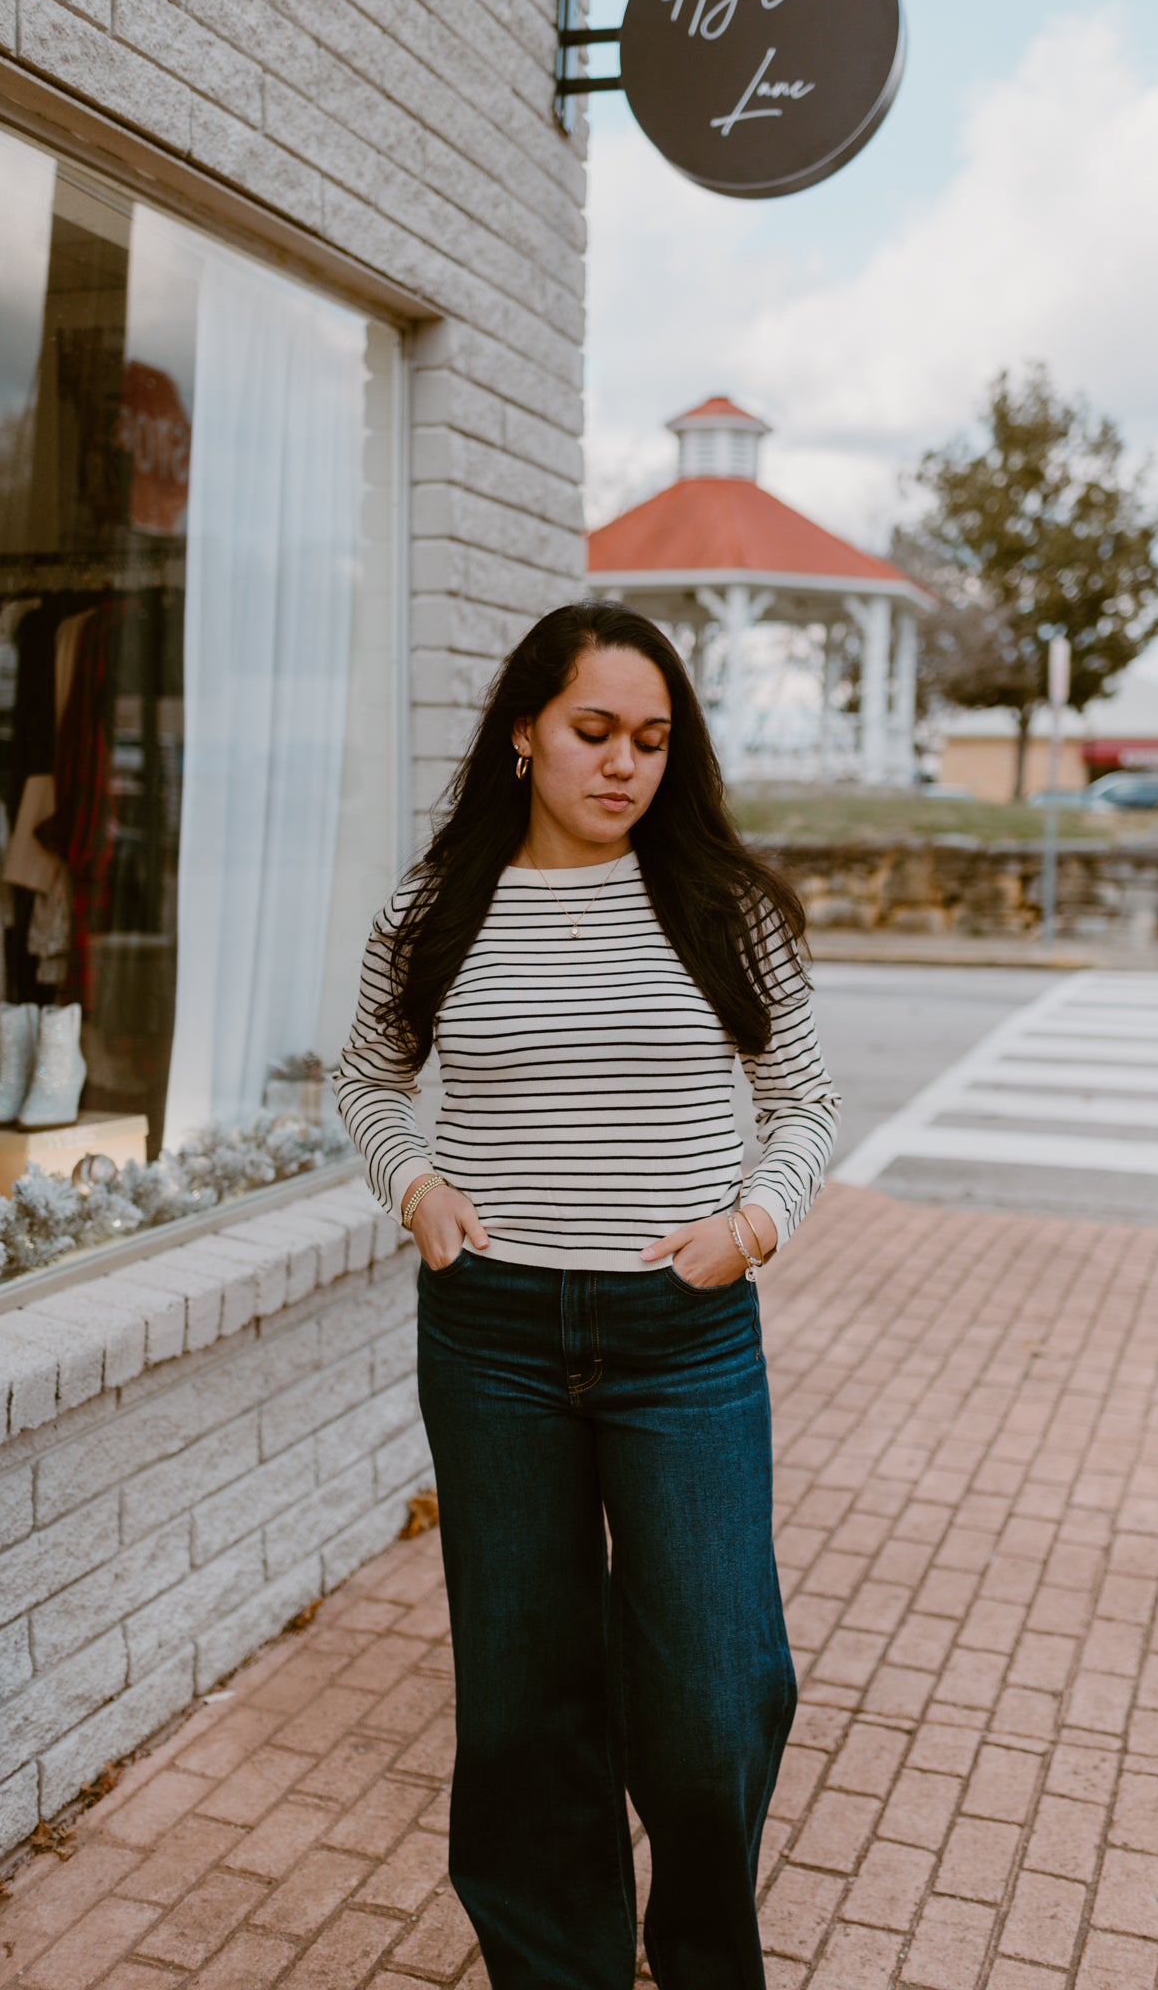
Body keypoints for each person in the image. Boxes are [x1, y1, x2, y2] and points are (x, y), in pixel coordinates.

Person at [334, 601, 840, 1990]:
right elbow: (367, 1081)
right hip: (491, 1333)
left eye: (653, 740)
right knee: (524, 1690)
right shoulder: (437, 907)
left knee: (716, 1691)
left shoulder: (727, 909)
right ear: (523, 735)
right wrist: (420, 1195)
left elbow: (804, 1104)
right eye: (594, 732)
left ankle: (700, 1958)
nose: (624, 764)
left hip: (682, 1339)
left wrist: (753, 1227)